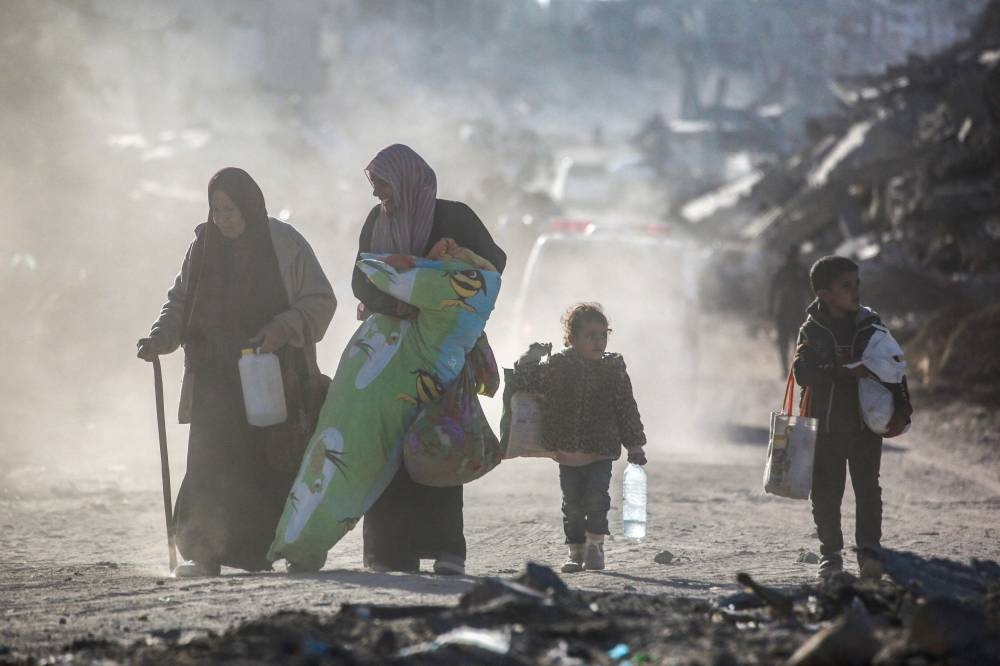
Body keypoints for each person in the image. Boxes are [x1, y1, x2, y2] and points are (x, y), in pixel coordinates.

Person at [137, 167, 337, 577]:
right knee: (210, 464)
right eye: (216, 209)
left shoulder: (284, 244)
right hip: (213, 377)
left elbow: (320, 300)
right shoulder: (202, 248)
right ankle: (205, 554)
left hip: (272, 377)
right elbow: (179, 302)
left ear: (250, 205)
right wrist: (160, 338)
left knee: (270, 465)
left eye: (230, 209)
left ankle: (276, 550)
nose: (222, 218)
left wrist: (283, 329)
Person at [354, 144, 506, 576]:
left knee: (440, 443)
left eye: (382, 184)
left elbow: (493, 266)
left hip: (443, 354)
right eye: (374, 185)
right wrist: (400, 304)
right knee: (390, 447)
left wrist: (453, 258)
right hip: (392, 352)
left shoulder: (455, 218)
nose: (377, 195)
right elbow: (361, 277)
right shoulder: (376, 222)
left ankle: (447, 550)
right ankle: (388, 552)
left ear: (406, 180)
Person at [792, 256, 912, 581]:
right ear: (825, 294)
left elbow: (894, 369)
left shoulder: (871, 326)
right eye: (846, 286)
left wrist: (903, 409)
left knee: (868, 491)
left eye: (856, 283)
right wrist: (846, 372)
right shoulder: (812, 329)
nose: (855, 291)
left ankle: (870, 555)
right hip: (826, 426)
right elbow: (803, 373)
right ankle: (830, 555)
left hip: (865, 426)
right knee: (826, 492)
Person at [509, 303, 647, 573]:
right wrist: (529, 358)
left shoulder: (613, 370)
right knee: (572, 505)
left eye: (603, 335)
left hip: (601, 451)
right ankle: (575, 552)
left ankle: (595, 546)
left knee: (597, 500)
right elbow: (525, 383)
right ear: (572, 339)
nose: (599, 342)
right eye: (591, 335)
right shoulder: (559, 366)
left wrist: (635, 445)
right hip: (567, 451)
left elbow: (627, 408)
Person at [769, 245, 812, 376]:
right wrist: (770, 308)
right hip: (783, 311)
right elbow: (772, 292)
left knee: (798, 342)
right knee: (784, 342)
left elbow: (810, 292)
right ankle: (784, 369)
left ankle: (797, 367)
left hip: (798, 311)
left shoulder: (802, 271)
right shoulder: (781, 272)